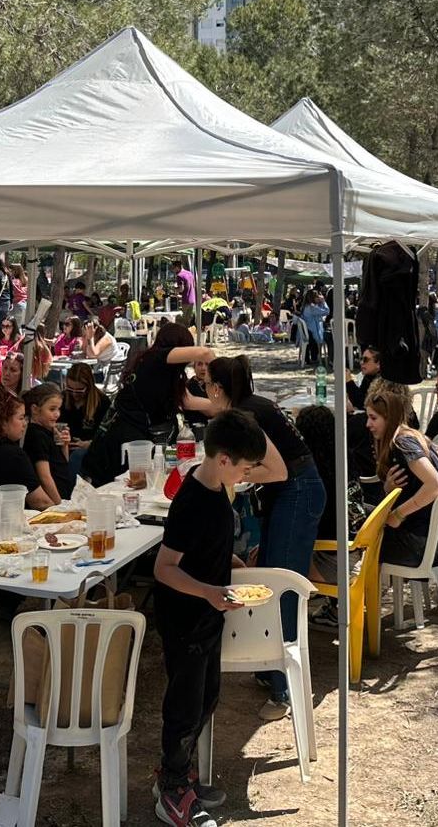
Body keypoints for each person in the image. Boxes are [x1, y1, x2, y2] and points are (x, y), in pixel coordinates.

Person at [151, 409, 266, 827]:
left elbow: (207, 547)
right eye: (245, 467)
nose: (248, 474)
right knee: (184, 706)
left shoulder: (218, 488)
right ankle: (172, 790)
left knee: (207, 697)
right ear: (222, 460)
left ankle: (175, 774)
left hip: (207, 616)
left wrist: (232, 561)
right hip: (185, 617)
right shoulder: (193, 501)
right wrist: (210, 592)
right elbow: (164, 569)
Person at [195, 357, 322, 719]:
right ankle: (272, 672)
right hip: (298, 492)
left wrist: (235, 480)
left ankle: (283, 690)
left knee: (279, 586)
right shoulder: (252, 405)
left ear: (217, 389)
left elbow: (278, 470)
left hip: (298, 494)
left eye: (206, 387)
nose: (206, 394)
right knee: (268, 574)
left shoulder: (247, 415)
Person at [81, 323, 215, 485]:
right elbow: (204, 352)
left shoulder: (168, 372)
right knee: (118, 484)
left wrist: (221, 405)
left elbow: (187, 401)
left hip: (137, 435)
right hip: (121, 437)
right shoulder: (156, 358)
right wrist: (220, 375)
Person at [368, 380, 438, 572]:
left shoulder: (403, 444)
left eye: (373, 418)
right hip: (435, 538)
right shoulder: (412, 436)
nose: (368, 424)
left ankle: (366, 600)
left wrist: (398, 515)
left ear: (388, 418)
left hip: (422, 544)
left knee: (358, 544)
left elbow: (436, 485)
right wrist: (389, 490)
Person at [24, 383, 74, 502]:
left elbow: (63, 464)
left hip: (62, 494)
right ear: (35, 409)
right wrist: (60, 506)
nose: (57, 414)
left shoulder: (48, 432)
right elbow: (44, 477)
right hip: (53, 500)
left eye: (58, 409)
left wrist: (64, 445)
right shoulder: (37, 436)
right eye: (52, 409)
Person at [345, 346, 381, 413]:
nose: (361, 362)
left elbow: (363, 403)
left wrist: (349, 382)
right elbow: (359, 398)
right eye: (361, 359)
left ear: (378, 364)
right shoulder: (369, 376)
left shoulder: (382, 381)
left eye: (365, 360)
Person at [299, 291, 329, 367]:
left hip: (307, 333)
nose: (318, 297)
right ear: (313, 298)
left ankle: (315, 357)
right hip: (313, 334)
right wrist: (323, 301)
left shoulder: (305, 306)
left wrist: (320, 303)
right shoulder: (312, 308)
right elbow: (326, 311)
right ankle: (330, 359)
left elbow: (319, 311)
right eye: (317, 296)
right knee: (330, 337)